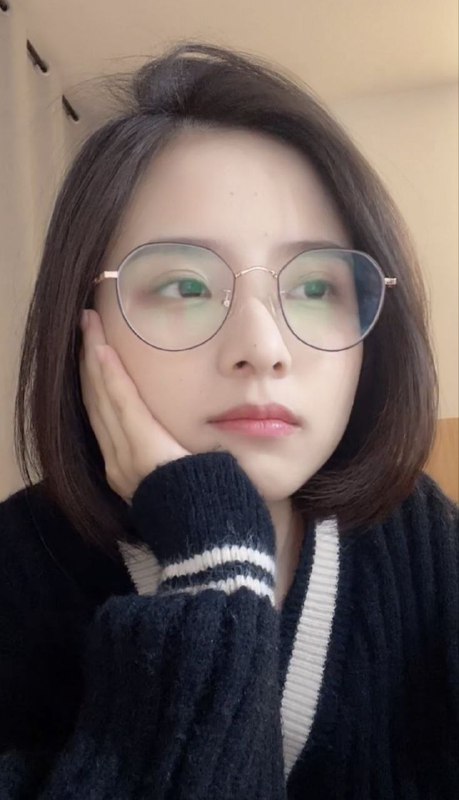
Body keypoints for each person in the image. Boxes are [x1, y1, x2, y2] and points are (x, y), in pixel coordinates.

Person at [0, 40, 457, 800]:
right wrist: (212, 565)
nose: (263, 349)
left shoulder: (428, 546)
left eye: (315, 286)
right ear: (83, 324)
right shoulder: (18, 568)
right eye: (184, 285)